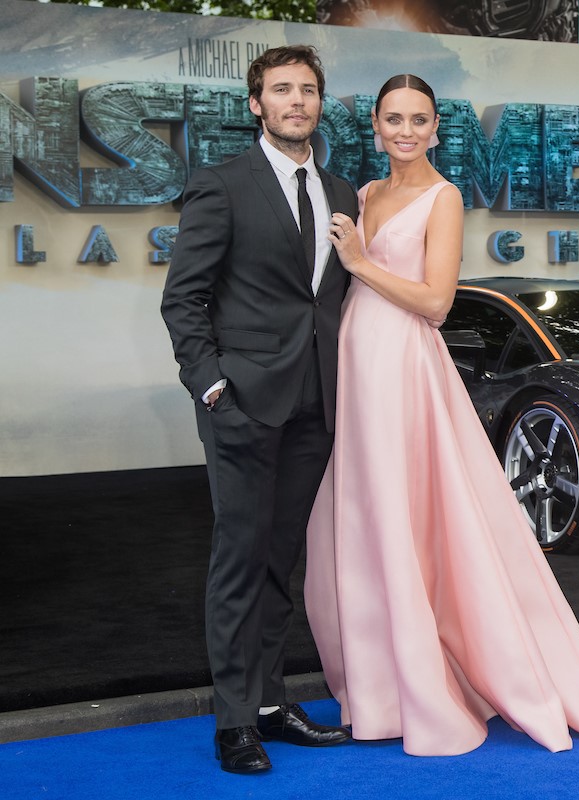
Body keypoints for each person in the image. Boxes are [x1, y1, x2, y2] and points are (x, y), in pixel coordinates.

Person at [304, 74, 579, 756]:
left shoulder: (443, 197)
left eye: (419, 119)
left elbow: (437, 302)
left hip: (402, 365)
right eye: (393, 118)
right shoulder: (364, 195)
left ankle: (429, 687)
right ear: (376, 127)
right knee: (364, 517)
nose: (405, 130)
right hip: (357, 362)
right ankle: (379, 688)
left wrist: (359, 260)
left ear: (436, 130)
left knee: (408, 514)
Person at [160, 45, 358, 775]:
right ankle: (234, 721)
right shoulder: (221, 185)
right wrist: (210, 383)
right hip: (242, 402)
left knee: (283, 560)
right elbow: (183, 299)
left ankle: (272, 703)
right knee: (239, 559)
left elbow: (332, 300)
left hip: (316, 403)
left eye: (307, 90)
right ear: (256, 104)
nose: (296, 101)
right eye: (281, 90)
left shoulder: (340, 191)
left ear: (318, 103)